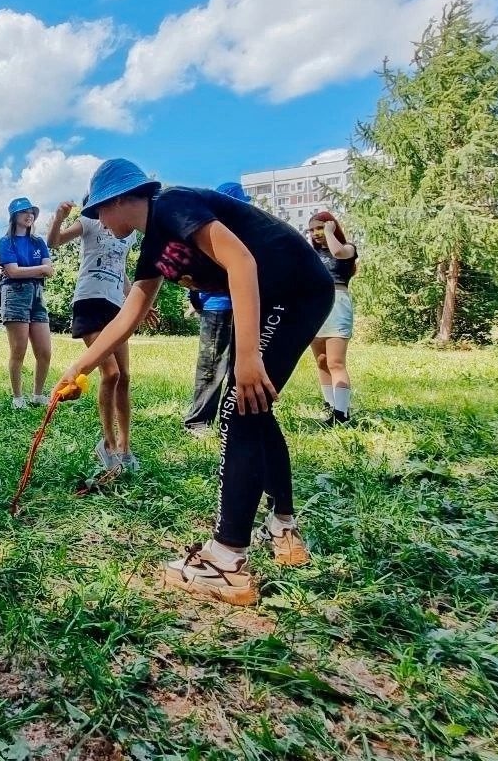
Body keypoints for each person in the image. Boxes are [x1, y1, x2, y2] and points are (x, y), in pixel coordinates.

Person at [56, 159, 333, 606]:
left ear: (122, 199)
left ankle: (226, 561)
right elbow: (130, 314)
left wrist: (245, 356)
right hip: (288, 294)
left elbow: (241, 260)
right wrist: (81, 366)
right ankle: (284, 529)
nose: (100, 223)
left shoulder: (172, 205)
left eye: (100, 211)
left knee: (238, 410)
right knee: (254, 409)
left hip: (294, 291)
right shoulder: (155, 245)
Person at [47, 197, 139, 472]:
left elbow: (119, 271)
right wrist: (59, 217)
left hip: (116, 306)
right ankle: (107, 444)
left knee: (124, 376)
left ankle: (125, 445)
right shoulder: (89, 222)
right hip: (89, 301)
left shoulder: (129, 233)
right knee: (109, 373)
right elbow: (55, 242)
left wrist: (138, 298)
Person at [184, 182, 252, 434]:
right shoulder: (212, 233)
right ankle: (198, 421)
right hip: (218, 306)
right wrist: (197, 302)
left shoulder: (239, 234)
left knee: (238, 365)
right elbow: (193, 275)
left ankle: (231, 419)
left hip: (241, 307)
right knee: (212, 365)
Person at [0, 197, 55, 408]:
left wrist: (31, 271)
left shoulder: (38, 242)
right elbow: (12, 272)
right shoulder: (6, 242)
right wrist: (40, 269)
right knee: (18, 350)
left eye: (32, 211)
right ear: (14, 216)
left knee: (44, 351)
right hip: (15, 295)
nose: (29, 215)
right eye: (24, 212)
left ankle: (38, 394)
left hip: (37, 295)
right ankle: (17, 397)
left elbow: (50, 270)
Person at [306, 211, 358, 425]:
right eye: (312, 230)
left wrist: (329, 231)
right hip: (314, 306)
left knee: (336, 362)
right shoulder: (310, 254)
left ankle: (342, 413)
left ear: (331, 226)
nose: (316, 233)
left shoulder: (348, 249)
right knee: (321, 361)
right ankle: (329, 405)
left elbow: (337, 251)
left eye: (319, 228)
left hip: (337, 303)